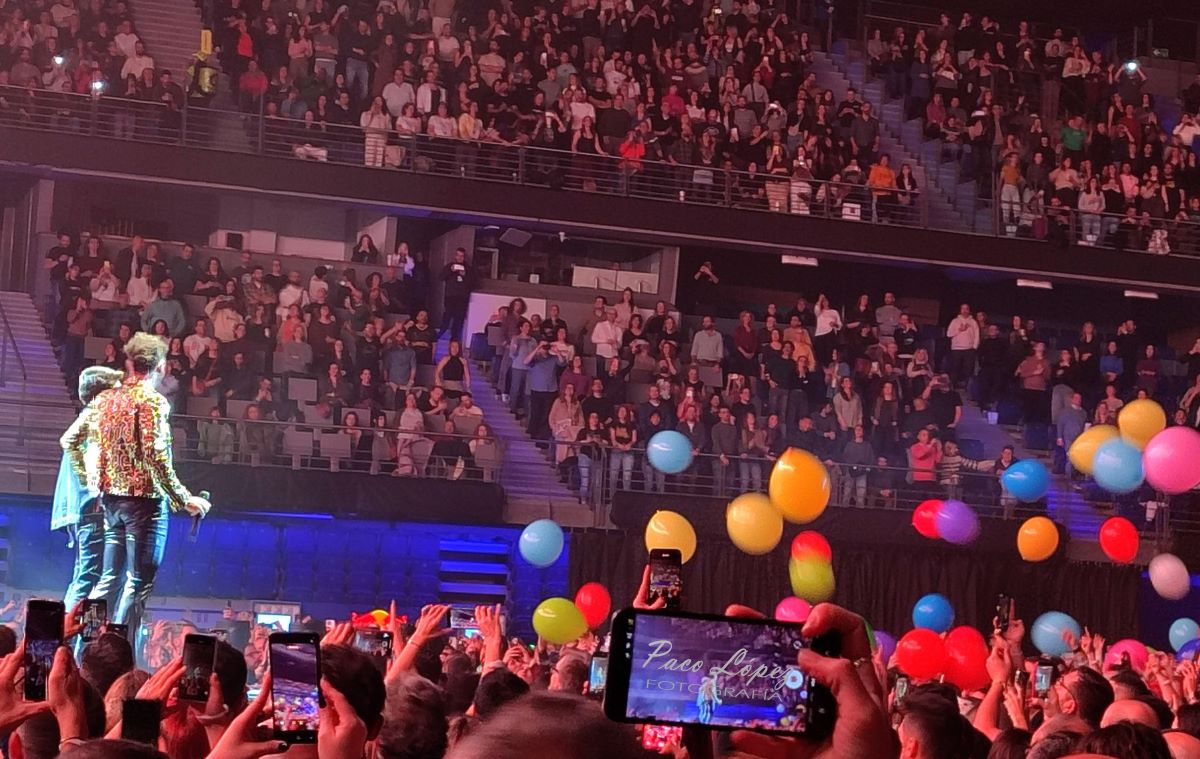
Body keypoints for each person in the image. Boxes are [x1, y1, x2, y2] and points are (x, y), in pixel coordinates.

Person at [61, 334, 211, 638]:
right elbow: (156, 457)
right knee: (137, 583)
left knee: (107, 580)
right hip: (145, 505)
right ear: (161, 366)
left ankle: (85, 646)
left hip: (112, 503)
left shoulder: (106, 399)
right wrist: (184, 499)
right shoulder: (153, 402)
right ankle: (119, 652)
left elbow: (72, 442)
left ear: (130, 363)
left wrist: (93, 481)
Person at [53, 367, 124, 612]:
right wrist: (94, 491)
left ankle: (68, 630)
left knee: (84, 575)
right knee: (90, 577)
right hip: (92, 508)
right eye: (115, 390)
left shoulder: (89, 418)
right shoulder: (96, 418)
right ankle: (66, 632)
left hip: (84, 509)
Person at [438, 247, 476, 342]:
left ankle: (454, 339)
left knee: (459, 319)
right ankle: (440, 335)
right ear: (455, 256)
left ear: (464, 257)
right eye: (458, 255)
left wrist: (465, 276)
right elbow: (441, 277)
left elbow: (474, 283)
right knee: (447, 316)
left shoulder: (469, 269)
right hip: (450, 296)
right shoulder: (449, 266)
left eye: (461, 256)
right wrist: (450, 271)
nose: (459, 258)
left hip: (462, 297)